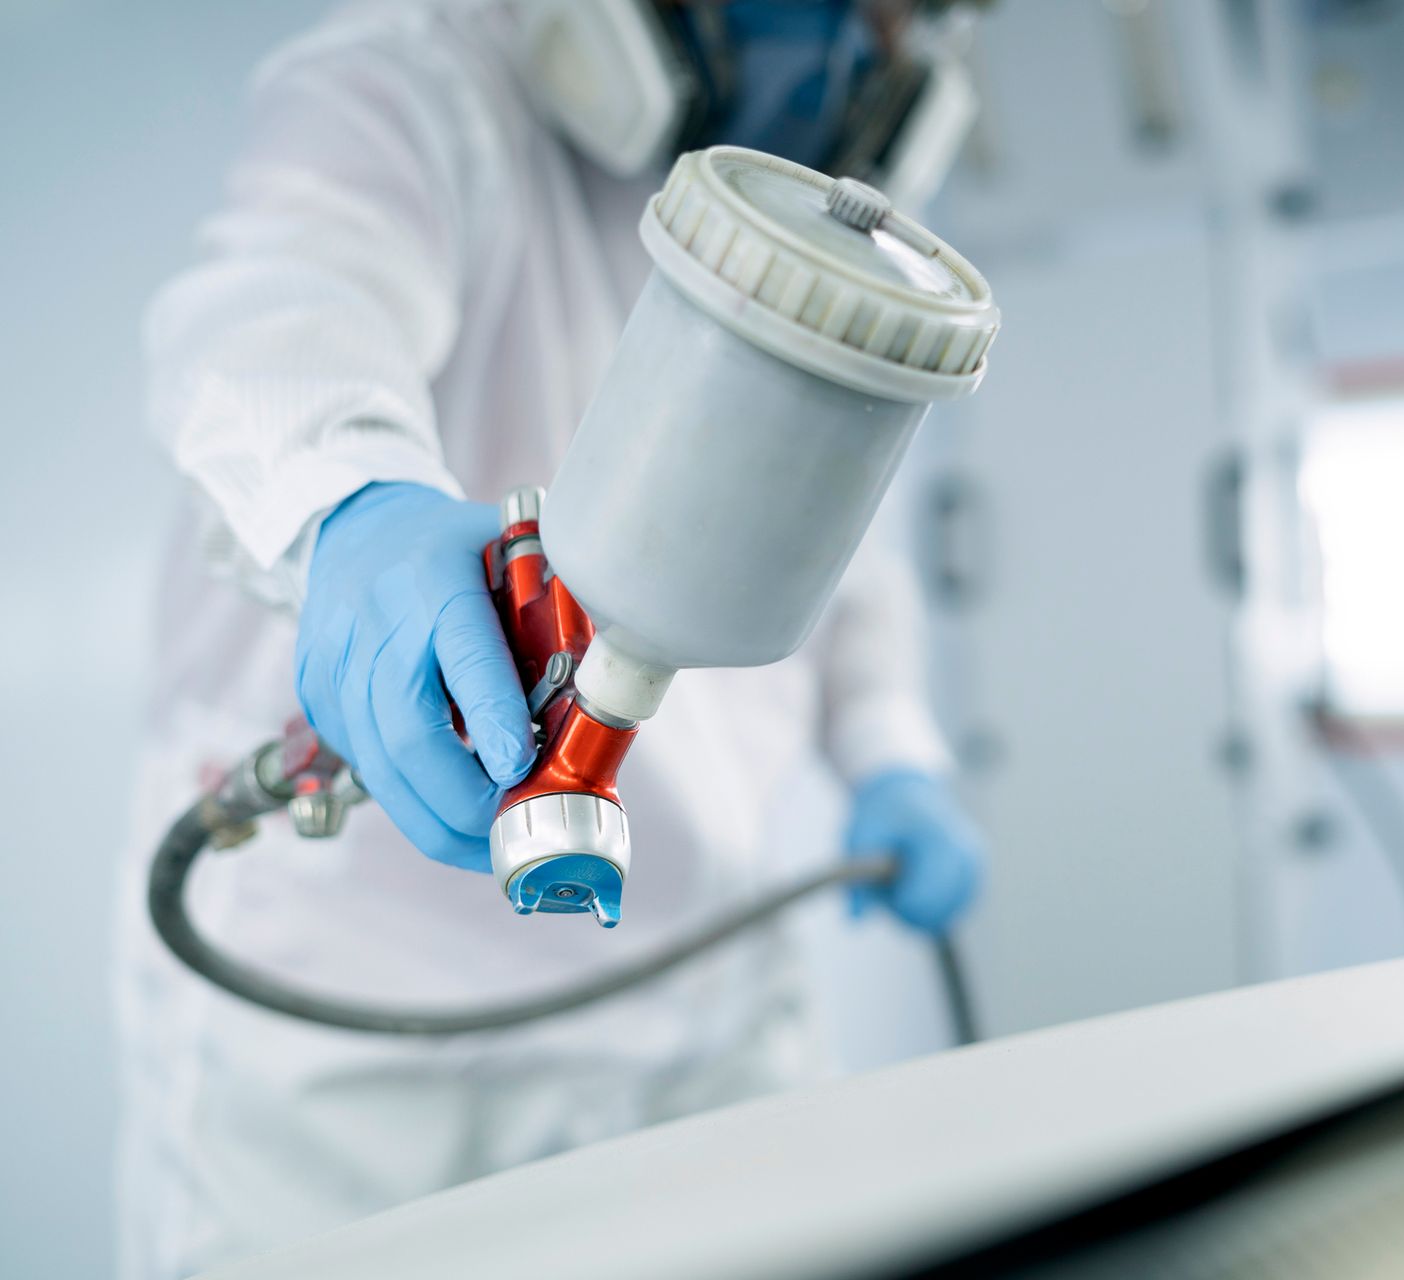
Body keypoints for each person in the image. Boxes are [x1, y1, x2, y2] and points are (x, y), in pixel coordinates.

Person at [118, 2, 984, 1275]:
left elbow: (846, 553)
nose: (860, 42)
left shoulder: (831, 258)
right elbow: (272, 308)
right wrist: (350, 502)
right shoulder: (423, 84)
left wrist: (893, 752)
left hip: (700, 1002)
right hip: (345, 1038)